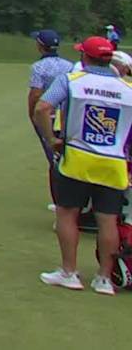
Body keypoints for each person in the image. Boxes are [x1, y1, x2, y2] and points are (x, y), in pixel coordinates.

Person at [34, 36, 132, 295]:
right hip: (113, 162)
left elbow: (42, 108)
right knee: (107, 221)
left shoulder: (70, 81)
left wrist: (52, 139)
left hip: (77, 158)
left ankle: (69, 272)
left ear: (85, 57)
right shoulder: (128, 88)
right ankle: (104, 279)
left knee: (67, 214)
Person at [28, 30, 75, 210]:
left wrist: (32, 115)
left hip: (48, 116)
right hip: (67, 115)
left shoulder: (38, 67)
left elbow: (36, 94)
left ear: (40, 46)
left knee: (54, 159)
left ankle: (61, 202)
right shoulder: (70, 65)